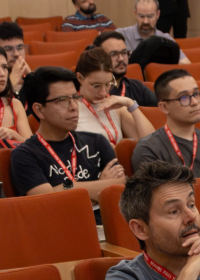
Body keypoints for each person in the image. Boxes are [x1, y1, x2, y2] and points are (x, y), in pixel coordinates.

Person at [9, 66, 126, 198]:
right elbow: (49, 201)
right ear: (39, 110)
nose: (74, 107)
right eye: (63, 100)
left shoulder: (97, 141)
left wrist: (63, 187)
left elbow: (120, 187)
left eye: (75, 97)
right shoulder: (25, 155)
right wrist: (101, 185)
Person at [132, 68, 200, 180]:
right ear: (164, 107)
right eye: (184, 97)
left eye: (196, 94)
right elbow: (156, 195)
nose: (195, 102)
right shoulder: (149, 149)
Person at [75, 47, 154, 145]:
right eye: (96, 86)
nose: (103, 93)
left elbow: (151, 144)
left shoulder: (115, 107)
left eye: (108, 84)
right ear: (80, 78)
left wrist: (130, 104)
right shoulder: (71, 108)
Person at [91, 31, 158, 107]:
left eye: (124, 53)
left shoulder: (137, 87)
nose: (121, 59)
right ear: (98, 57)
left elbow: (162, 108)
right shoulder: (94, 91)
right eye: (113, 54)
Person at [124, 0, 184, 65]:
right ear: (135, 14)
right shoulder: (122, 36)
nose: (145, 21)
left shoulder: (165, 40)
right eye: (141, 16)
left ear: (158, 14)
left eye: (150, 16)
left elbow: (187, 65)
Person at [0, 20, 32, 94]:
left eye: (20, 47)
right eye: (8, 49)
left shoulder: (31, 78)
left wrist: (33, 79)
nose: (16, 54)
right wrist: (11, 83)